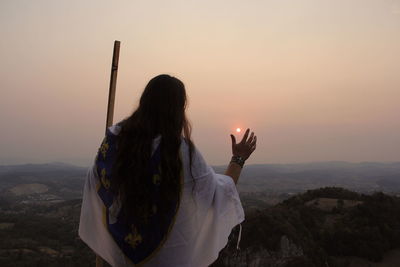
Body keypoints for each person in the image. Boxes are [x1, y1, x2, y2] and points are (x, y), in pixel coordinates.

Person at [79, 74, 257, 267]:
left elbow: (96, 183)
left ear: (144, 102)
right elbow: (218, 193)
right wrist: (238, 159)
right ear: (178, 110)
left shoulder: (113, 145)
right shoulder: (180, 154)